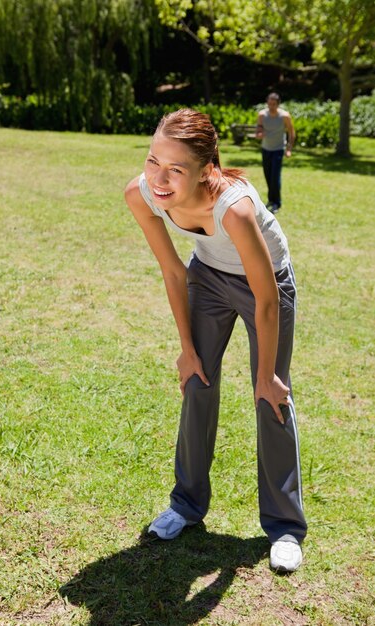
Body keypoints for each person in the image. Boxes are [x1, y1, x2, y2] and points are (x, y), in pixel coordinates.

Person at [124, 108, 307, 573]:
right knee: (197, 382)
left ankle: (284, 527)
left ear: (206, 169)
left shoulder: (236, 208)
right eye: (153, 161)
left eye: (175, 169)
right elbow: (172, 269)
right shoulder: (141, 194)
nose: (159, 178)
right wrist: (187, 350)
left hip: (265, 285)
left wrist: (265, 375)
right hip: (206, 277)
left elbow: (266, 301)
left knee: (271, 396)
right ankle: (186, 505)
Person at [256, 92, 295, 214]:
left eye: (274, 104)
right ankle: (271, 200)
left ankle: (276, 203)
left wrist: (289, 148)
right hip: (266, 149)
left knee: (275, 176)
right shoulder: (262, 115)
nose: (271, 106)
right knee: (268, 176)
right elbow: (259, 130)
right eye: (269, 103)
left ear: (278, 104)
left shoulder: (284, 116)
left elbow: (291, 132)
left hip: (278, 149)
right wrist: (259, 134)